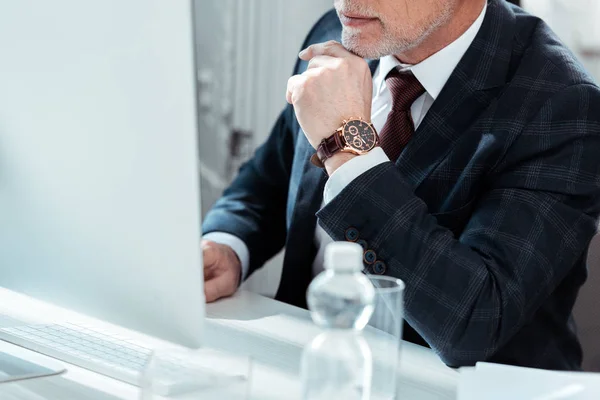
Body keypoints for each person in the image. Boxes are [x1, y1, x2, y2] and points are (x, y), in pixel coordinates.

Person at [201, 0, 600, 370]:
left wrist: (346, 143)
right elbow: (273, 174)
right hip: (311, 363)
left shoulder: (564, 104)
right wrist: (229, 246)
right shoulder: (344, 30)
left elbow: (475, 319)